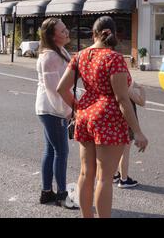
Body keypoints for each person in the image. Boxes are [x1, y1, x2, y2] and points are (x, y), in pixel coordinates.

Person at [57, 16, 148, 218]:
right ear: (114, 34)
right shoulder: (114, 58)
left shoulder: (80, 56)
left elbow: (61, 88)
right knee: (105, 178)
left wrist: (78, 107)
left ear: (94, 34)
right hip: (109, 117)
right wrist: (139, 132)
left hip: (85, 114)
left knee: (85, 173)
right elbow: (122, 99)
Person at [35, 18, 77, 209]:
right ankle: (61, 194)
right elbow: (54, 90)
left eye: (65, 28)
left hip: (50, 109)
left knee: (51, 150)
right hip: (52, 109)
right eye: (62, 30)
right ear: (53, 36)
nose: (67, 32)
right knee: (61, 151)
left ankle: (46, 192)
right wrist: (68, 111)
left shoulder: (59, 51)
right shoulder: (50, 56)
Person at [113, 81, 146, 188]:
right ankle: (124, 179)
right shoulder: (125, 85)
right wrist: (141, 88)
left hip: (114, 119)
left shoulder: (111, 82)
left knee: (116, 150)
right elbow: (141, 102)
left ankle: (114, 175)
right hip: (127, 120)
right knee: (124, 152)